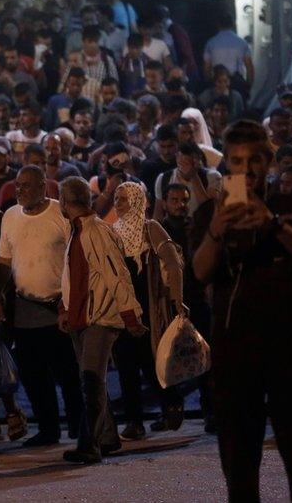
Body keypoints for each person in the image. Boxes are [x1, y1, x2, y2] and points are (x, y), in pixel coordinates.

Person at [192, 120, 292, 501]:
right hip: (236, 351)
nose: (246, 170)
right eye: (236, 161)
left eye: (254, 161)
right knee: (239, 467)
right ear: (228, 165)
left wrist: (272, 225)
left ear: (268, 162)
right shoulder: (209, 213)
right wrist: (218, 229)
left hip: (291, 347)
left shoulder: (290, 204)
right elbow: (201, 270)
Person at [57, 176, 144, 464]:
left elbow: (117, 276)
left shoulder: (95, 232)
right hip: (84, 317)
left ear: (65, 201)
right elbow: (73, 277)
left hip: (99, 318)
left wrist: (130, 315)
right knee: (92, 381)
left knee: (91, 381)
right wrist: (65, 309)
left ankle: (89, 445)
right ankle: (106, 437)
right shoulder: (79, 230)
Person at [0, 165, 82, 447]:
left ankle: (80, 427)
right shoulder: (9, 216)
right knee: (34, 375)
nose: (20, 190)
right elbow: (4, 261)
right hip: (24, 309)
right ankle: (48, 429)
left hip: (58, 308)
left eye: (27, 185)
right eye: (18, 185)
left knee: (67, 372)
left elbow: (78, 255)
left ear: (43, 187)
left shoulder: (60, 213)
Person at [110, 182, 185, 439]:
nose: (117, 204)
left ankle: (172, 404)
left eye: (123, 199)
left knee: (152, 360)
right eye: (115, 198)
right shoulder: (113, 232)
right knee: (127, 366)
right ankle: (134, 422)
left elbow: (173, 263)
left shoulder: (150, 228)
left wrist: (177, 299)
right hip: (124, 309)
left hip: (151, 307)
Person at [160, 183, 216, 433]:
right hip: (168, 302)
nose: (179, 205)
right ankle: (171, 408)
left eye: (184, 200)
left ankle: (210, 412)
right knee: (165, 357)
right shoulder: (158, 230)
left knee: (205, 359)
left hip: (195, 298)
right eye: (174, 200)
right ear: (165, 201)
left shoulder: (195, 228)